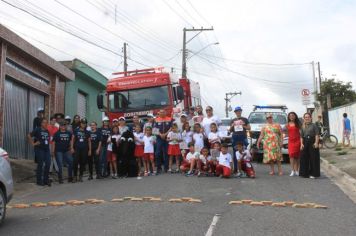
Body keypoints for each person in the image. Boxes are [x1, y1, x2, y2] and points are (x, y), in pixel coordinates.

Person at [28, 118, 51, 186]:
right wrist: (33, 144)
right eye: (44, 122)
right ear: (41, 123)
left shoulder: (47, 131)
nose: (45, 124)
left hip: (46, 150)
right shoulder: (37, 129)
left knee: (48, 164)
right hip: (39, 149)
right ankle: (39, 181)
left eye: (46, 123)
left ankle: (46, 180)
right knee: (40, 164)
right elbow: (29, 135)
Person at [230, 106, 250, 173]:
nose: (238, 112)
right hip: (235, 137)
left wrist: (243, 124)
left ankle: (245, 169)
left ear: (241, 111)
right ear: (235, 112)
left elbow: (249, 128)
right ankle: (236, 169)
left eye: (239, 111)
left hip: (243, 137)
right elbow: (230, 130)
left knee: (244, 152)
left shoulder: (245, 119)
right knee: (235, 153)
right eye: (237, 111)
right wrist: (232, 125)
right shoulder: (233, 120)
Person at [300, 113, 320, 178]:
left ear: (310, 118)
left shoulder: (314, 125)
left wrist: (316, 143)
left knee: (313, 158)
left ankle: (313, 174)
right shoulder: (302, 126)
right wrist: (301, 144)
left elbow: (317, 134)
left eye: (308, 117)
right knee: (304, 158)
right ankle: (305, 174)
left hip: (312, 142)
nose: (307, 118)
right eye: (305, 117)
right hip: (305, 142)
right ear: (304, 118)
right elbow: (301, 136)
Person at [71, 118, 91, 182]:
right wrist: (71, 148)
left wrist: (90, 150)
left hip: (84, 149)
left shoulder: (87, 132)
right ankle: (74, 176)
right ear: (80, 123)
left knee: (82, 162)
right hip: (77, 148)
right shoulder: (76, 130)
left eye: (85, 123)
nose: (83, 124)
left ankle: (81, 176)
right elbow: (72, 139)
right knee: (75, 162)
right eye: (82, 123)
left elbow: (89, 141)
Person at [286, 112, 301, 177]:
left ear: (295, 116)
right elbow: (283, 132)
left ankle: (297, 170)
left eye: (293, 115)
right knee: (291, 156)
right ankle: (292, 170)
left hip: (298, 141)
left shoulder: (298, 124)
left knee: (297, 156)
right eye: (290, 116)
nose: (291, 117)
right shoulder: (287, 125)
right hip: (291, 141)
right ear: (289, 117)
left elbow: (301, 133)